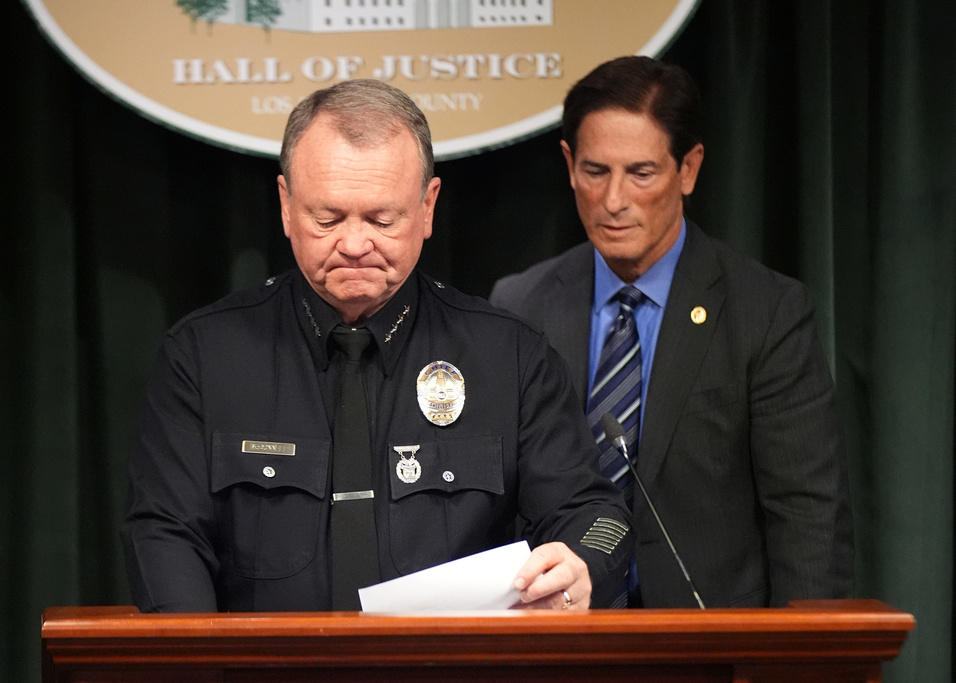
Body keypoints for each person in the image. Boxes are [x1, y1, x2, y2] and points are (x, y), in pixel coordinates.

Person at [122, 79, 632, 613]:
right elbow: (164, 532)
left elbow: (596, 517)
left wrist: (579, 564)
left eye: (382, 219)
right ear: (286, 206)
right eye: (328, 218)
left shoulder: (511, 357)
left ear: (428, 206)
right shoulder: (203, 358)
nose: (355, 244)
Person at [491, 56, 854, 608]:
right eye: (595, 172)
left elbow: (809, 520)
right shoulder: (520, 305)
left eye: (641, 173)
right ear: (568, 164)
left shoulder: (767, 311)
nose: (614, 201)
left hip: (709, 642)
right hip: (557, 639)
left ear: (688, 169)